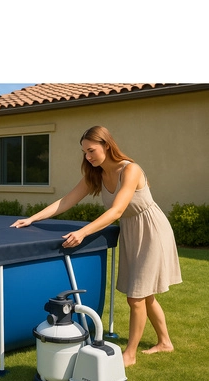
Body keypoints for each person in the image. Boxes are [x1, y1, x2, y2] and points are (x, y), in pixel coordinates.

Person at [11, 125, 182, 367]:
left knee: (136, 297)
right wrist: (32, 218)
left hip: (152, 230)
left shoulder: (131, 169)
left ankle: (130, 354)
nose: (88, 156)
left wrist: (82, 232)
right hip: (131, 231)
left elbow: (117, 210)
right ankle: (165, 342)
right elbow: (67, 200)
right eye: (84, 152)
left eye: (91, 150)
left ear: (107, 146)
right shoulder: (96, 175)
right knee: (145, 293)